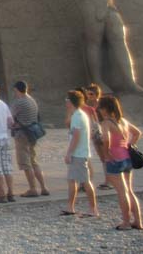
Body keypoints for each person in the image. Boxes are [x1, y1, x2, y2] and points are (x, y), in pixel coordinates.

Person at [98, 94, 143, 230]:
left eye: (100, 107)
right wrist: (129, 144)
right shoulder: (123, 121)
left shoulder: (106, 122)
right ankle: (138, 221)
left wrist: (106, 153)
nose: (99, 110)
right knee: (129, 191)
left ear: (105, 108)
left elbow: (106, 139)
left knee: (122, 192)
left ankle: (126, 222)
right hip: (127, 158)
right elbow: (137, 133)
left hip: (114, 159)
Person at [10, 81, 49, 198]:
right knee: (34, 161)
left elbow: (11, 118)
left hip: (22, 133)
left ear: (17, 90)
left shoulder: (19, 102)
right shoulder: (32, 100)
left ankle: (32, 188)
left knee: (25, 163)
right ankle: (43, 187)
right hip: (32, 133)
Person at [63, 90, 97, 218]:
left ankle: (93, 209)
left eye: (67, 99)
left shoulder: (78, 116)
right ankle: (70, 207)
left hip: (79, 153)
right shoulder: (78, 114)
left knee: (85, 181)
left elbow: (76, 136)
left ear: (70, 101)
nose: (65, 102)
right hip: (80, 152)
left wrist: (69, 153)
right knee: (72, 180)